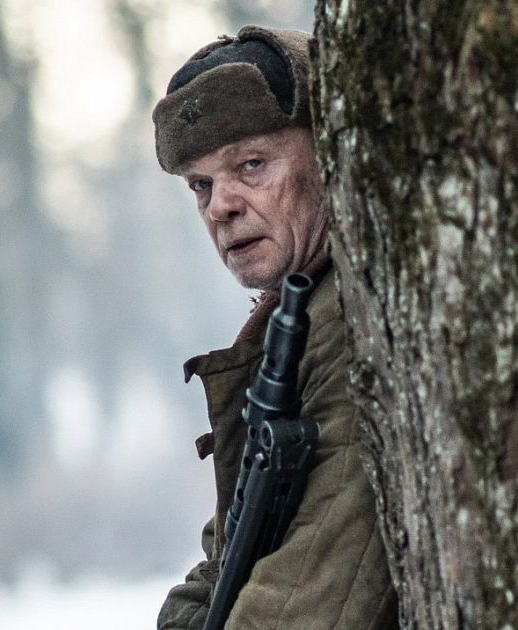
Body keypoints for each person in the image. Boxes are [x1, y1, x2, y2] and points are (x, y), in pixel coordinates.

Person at [152, 25, 398, 629]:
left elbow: (309, 604)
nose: (221, 206)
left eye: (252, 164)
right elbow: (228, 551)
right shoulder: (294, 317)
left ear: (331, 154)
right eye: (202, 185)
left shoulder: (357, 321)